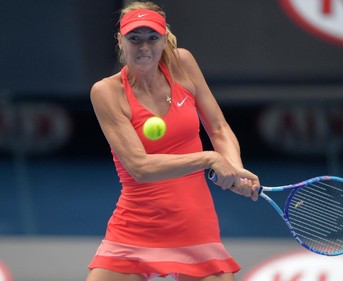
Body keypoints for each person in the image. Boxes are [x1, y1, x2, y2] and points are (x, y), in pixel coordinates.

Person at [86, 1, 260, 281]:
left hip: (194, 221)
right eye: (135, 38)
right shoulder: (106, 92)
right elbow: (140, 167)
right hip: (136, 226)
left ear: (164, 38)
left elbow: (218, 127)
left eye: (152, 37)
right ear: (120, 40)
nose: (144, 47)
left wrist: (235, 168)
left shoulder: (183, 64)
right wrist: (211, 159)